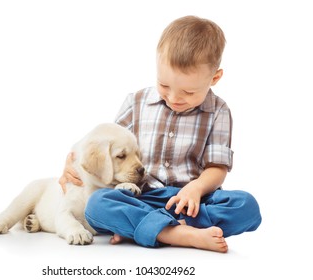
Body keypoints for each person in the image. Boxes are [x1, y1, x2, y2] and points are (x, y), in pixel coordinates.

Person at [59, 15, 261, 253]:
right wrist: (71, 165)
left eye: (188, 91)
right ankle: (179, 233)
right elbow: (110, 147)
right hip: (141, 197)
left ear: (214, 78)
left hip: (193, 202)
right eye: (164, 85)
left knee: (247, 207)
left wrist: (195, 189)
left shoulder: (219, 111)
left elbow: (217, 167)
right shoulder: (136, 102)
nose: (174, 98)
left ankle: (150, 228)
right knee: (97, 204)